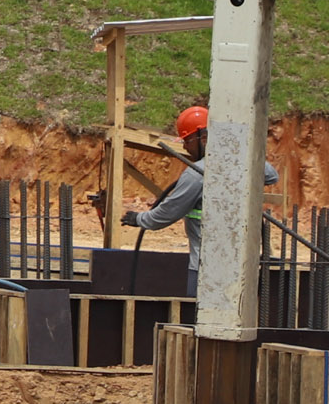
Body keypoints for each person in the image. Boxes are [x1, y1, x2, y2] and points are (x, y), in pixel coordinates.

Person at [117, 105, 280, 297]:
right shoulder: (237, 164)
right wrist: (235, 153)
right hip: (241, 266)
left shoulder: (196, 175)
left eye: (187, 140)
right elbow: (270, 175)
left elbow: (167, 212)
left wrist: (138, 219)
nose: (184, 146)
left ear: (203, 138)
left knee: (199, 320)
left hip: (206, 268)